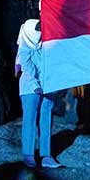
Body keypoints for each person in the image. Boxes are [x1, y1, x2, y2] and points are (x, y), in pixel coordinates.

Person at [15, 19, 62, 169]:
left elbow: (51, 65)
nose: (40, 32)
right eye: (37, 30)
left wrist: (54, 84)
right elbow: (28, 70)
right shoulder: (24, 49)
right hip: (30, 89)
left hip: (47, 87)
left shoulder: (45, 46)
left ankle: (46, 155)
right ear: (29, 32)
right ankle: (28, 154)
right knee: (30, 119)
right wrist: (36, 86)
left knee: (46, 118)